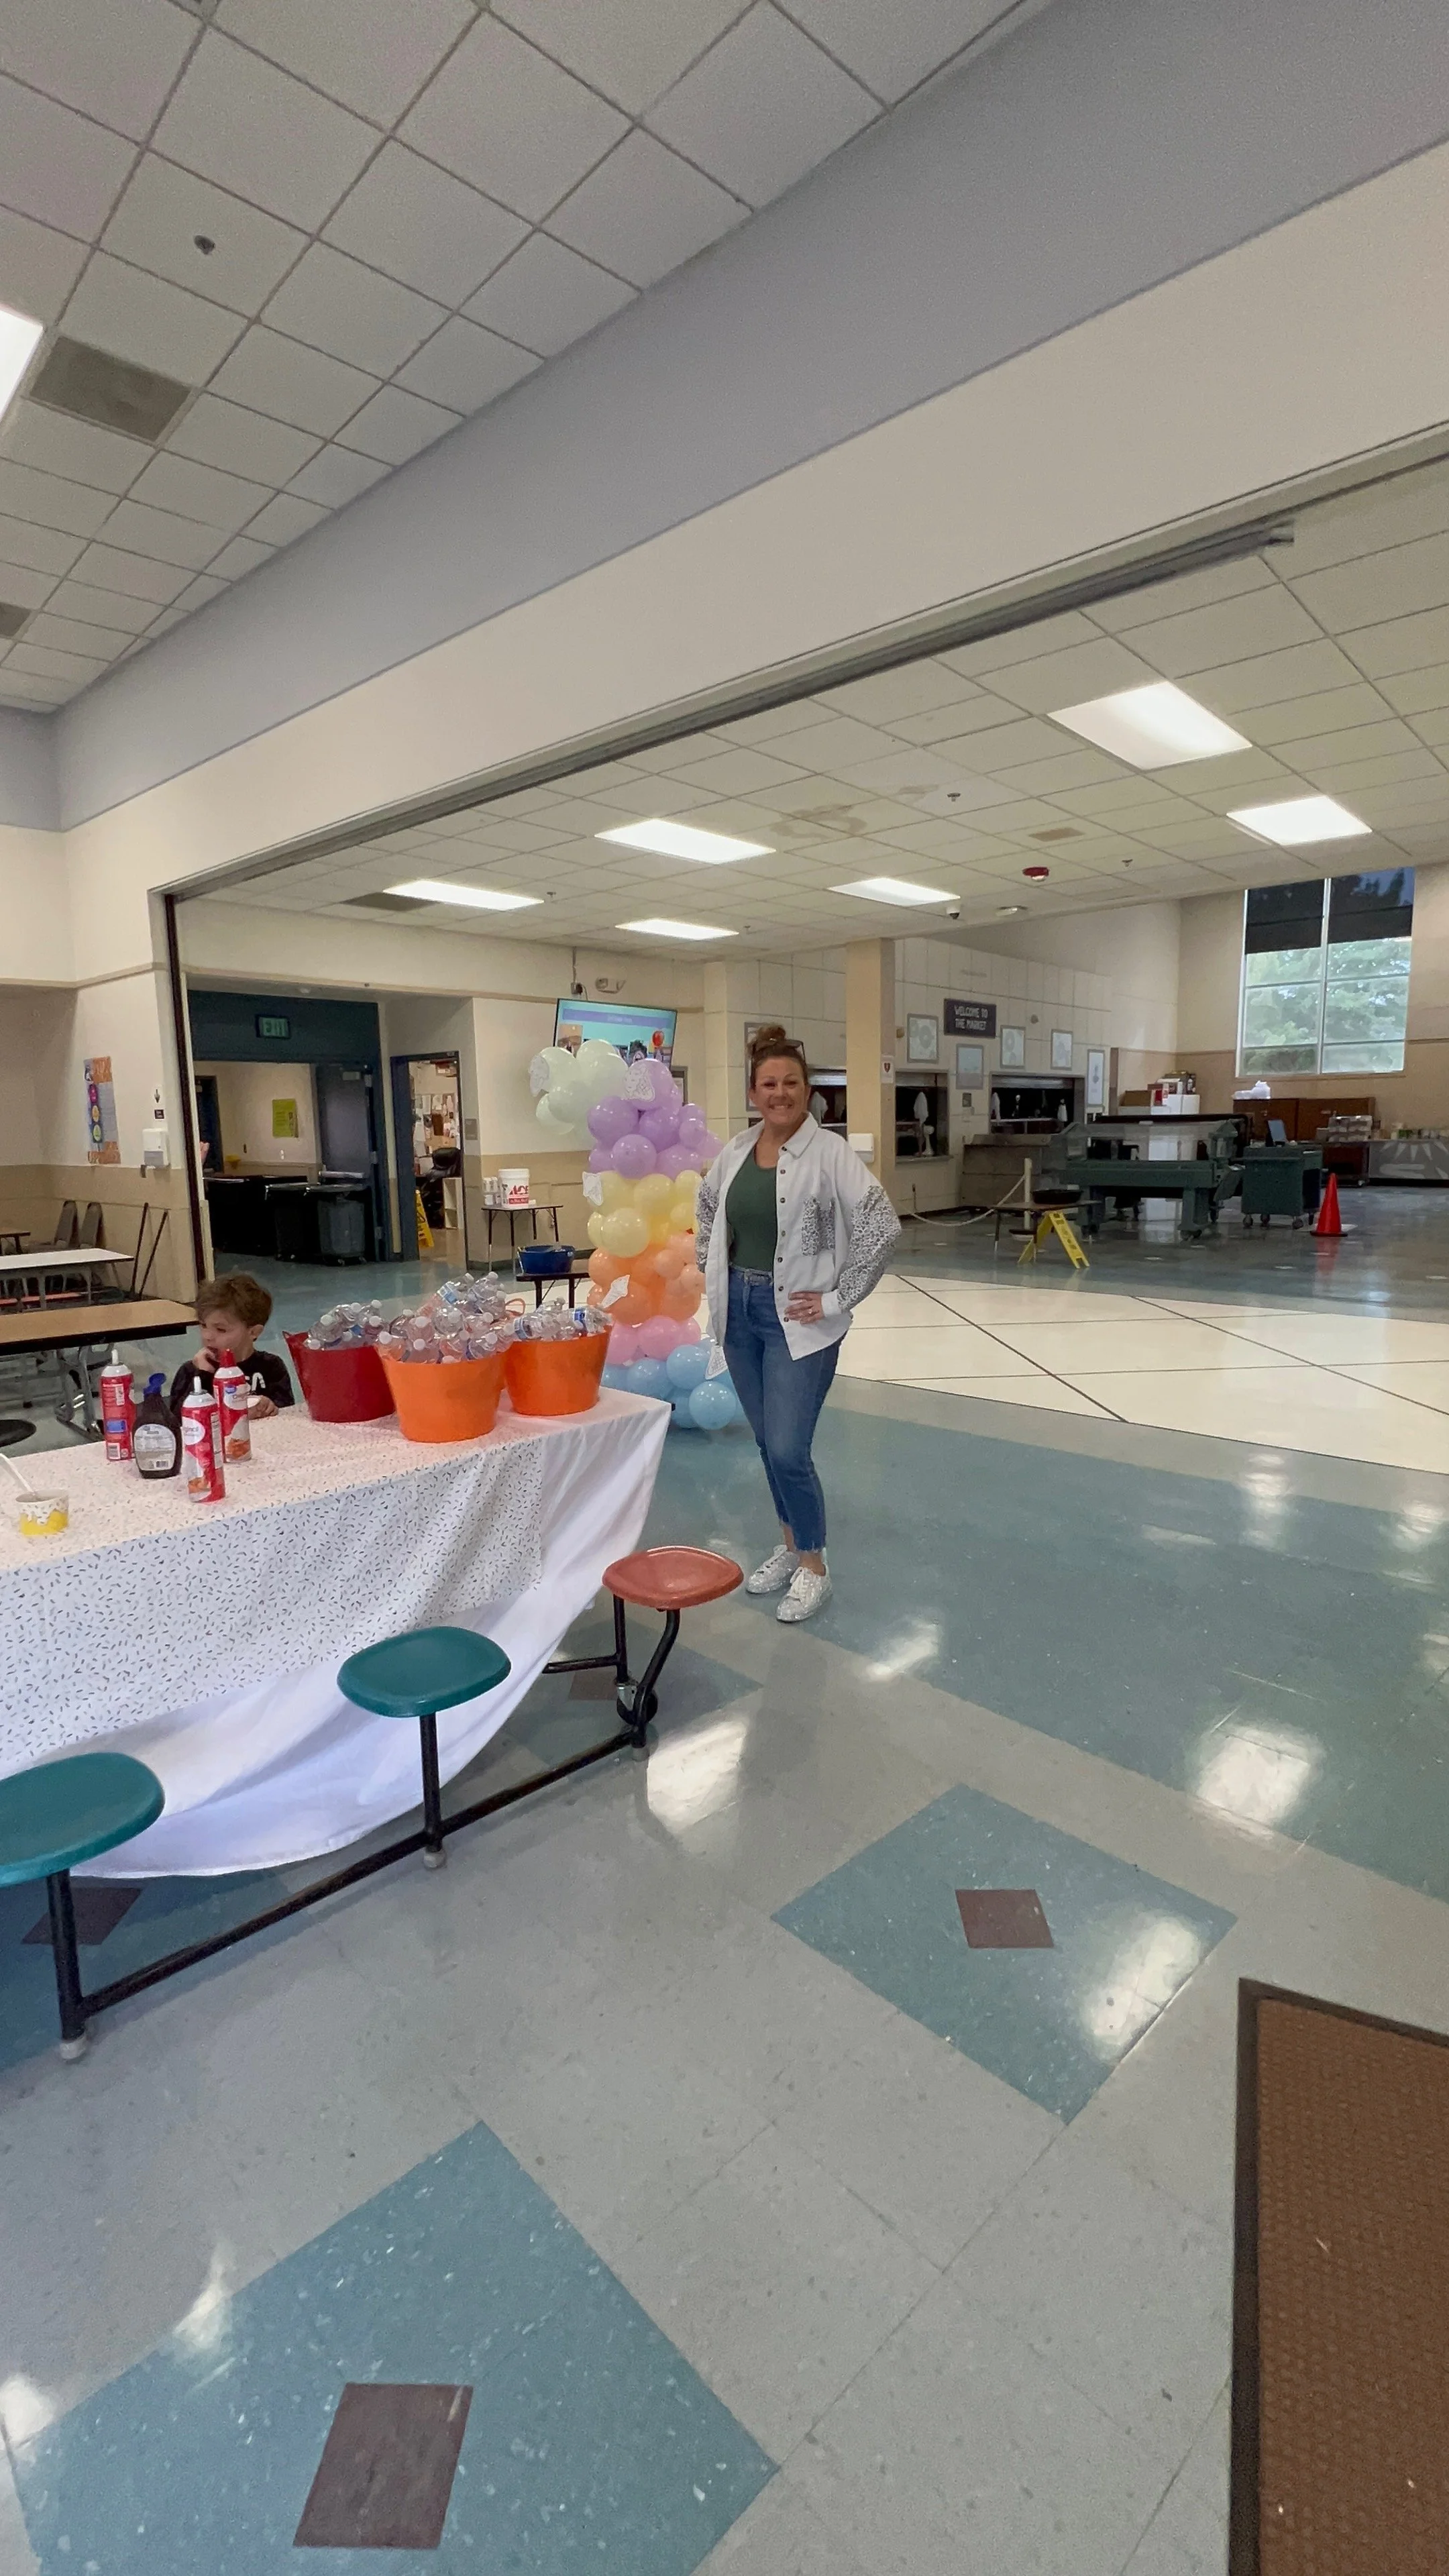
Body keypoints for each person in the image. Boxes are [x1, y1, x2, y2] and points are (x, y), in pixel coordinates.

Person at [696, 1024, 900, 1623]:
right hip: (740, 1313)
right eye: (768, 1084)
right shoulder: (735, 1152)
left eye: (790, 1083)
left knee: (789, 1447)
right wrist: (712, 1274)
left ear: (808, 1091)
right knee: (765, 1442)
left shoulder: (830, 1154)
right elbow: (708, 1210)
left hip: (797, 1322)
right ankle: (789, 1546)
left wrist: (837, 1298)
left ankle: (814, 1566)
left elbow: (882, 1226)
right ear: (753, 1093)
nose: (779, 1093)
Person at [169, 1272, 295, 1419]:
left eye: (221, 1330)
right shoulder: (191, 1372)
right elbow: (178, 1422)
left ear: (254, 1332)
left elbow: (288, 1415)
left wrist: (271, 1407)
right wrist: (203, 1376)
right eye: (203, 1325)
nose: (208, 1336)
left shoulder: (271, 1367)